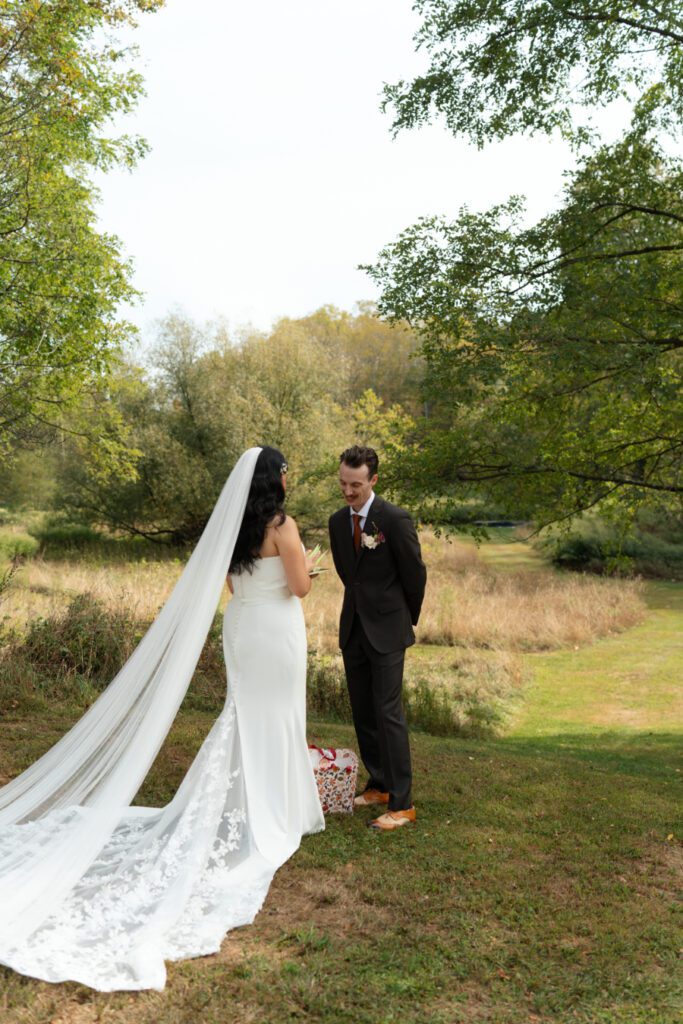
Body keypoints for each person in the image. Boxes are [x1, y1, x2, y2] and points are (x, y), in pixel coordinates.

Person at [0, 446, 323, 991]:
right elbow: (300, 588)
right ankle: (276, 809)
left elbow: (231, 585)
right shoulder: (281, 524)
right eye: (287, 471)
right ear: (277, 479)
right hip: (277, 631)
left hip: (243, 627)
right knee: (278, 716)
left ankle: (262, 801)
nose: (290, 479)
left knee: (245, 716)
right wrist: (309, 564)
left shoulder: (235, 527)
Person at [328, 445, 427, 832]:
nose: (348, 492)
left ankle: (403, 805)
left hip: (388, 631)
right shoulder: (337, 522)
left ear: (373, 480)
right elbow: (347, 575)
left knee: (388, 714)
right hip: (353, 628)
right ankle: (380, 785)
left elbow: (415, 576)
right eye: (343, 484)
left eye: (355, 485)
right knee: (363, 711)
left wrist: (403, 622)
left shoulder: (395, 519)